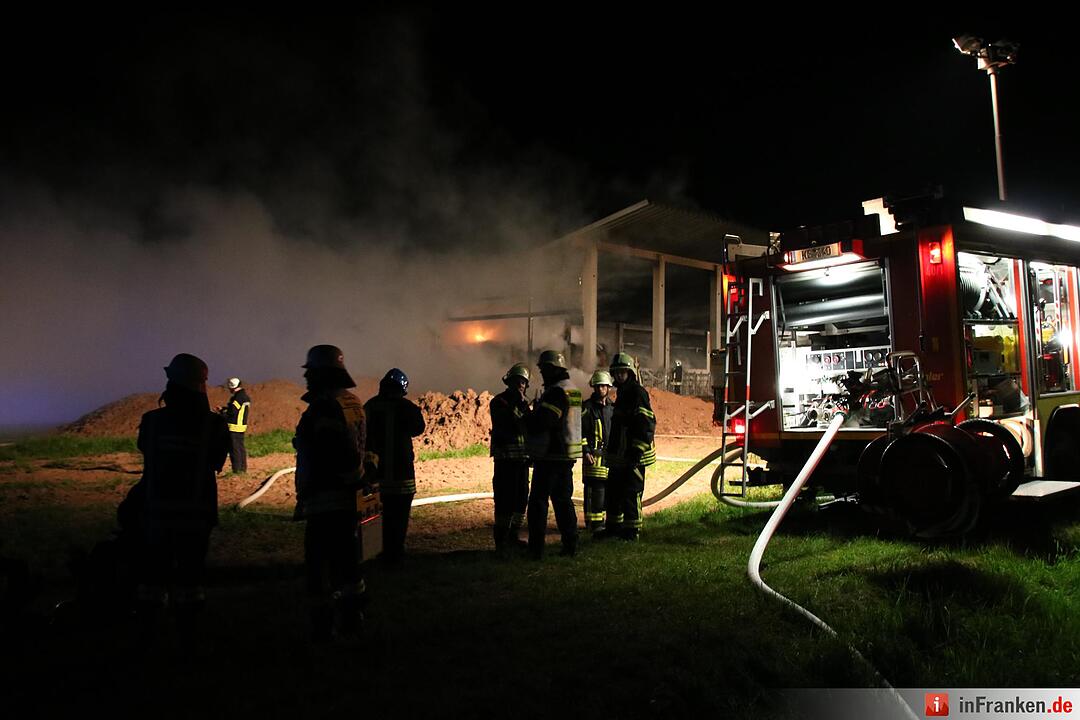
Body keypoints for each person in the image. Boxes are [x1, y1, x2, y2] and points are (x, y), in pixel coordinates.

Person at [134, 353, 230, 638]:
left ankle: (147, 635)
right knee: (190, 578)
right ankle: (189, 637)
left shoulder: (151, 421)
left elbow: (146, 452)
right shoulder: (213, 425)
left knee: (152, 576)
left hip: (156, 512)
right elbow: (216, 462)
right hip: (195, 514)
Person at [293, 344, 368, 641]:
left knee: (319, 569)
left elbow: (335, 452)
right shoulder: (354, 403)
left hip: (326, 502)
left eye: (310, 373)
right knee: (349, 566)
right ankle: (353, 620)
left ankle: (323, 628)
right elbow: (359, 448)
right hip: (348, 501)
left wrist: (306, 446)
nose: (307, 379)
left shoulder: (324, 409)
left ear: (322, 374)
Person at [363, 368, 426, 566]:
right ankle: (395, 555)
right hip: (401, 477)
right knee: (398, 520)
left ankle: (372, 554)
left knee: (373, 519)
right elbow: (419, 428)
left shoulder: (369, 407)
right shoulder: (408, 408)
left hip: (374, 476)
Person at [525, 350, 582, 558]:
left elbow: (545, 421)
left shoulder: (557, 392)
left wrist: (528, 418)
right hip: (567, 455)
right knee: (563, 501)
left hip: (551, 455)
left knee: (538, 502)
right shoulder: (573, 390)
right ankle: (570, 545)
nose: (541, 374)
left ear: (551, 369)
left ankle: (536, 549)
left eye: (543, 370)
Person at [600, 352, 656, 541]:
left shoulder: (637, 393)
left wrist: (636, 451)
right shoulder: (623, 393)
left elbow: (646, 422)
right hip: (620, 456)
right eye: (616, 373)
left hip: (633, 455)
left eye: (623, 372)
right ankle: (613, 528)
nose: (619, 376)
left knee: (631, 492)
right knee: (614, 492)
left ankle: (632, 531)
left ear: (630, 372)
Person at [489, 362, 531, 554]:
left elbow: (529, 427)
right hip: (505, 461)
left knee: (521, 499)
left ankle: (514, 535)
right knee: (504, 499)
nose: (520, 386)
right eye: (517, 382)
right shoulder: (499, 402)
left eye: (523, 383)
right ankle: (501, 541)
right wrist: (521, 405)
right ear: (509, 382)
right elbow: (510, 422)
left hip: (521, 461)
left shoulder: (524, 404)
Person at [581, 370, 614, 535]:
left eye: (604, 386)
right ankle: (593, 524)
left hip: (608, 458)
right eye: (598, 386)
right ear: (593, 387)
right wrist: (586, 450)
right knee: (594, 491)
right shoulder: (586, 408)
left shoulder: (612, 408)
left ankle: (602, 522)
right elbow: (580, 432)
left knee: (607, 491)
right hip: (593, 457)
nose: (601, 389)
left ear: (609, 387)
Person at [220, 377, 251, 473]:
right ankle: (242, 469)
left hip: (234, 426)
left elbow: (233, 411)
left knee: (234, 449)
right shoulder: (244, 396)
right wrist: (224, 409)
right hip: (241, 426)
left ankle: (237, 470)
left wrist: (222, 413)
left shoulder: (238, 397)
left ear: (232, 387)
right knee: (240, 448)